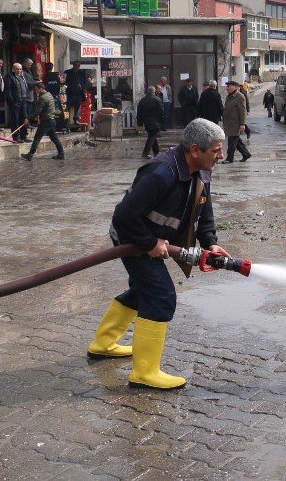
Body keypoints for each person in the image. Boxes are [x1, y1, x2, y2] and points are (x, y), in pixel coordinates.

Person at [87, 119, 229, 389]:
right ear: (195, 150)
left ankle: (103, 344)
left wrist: (210, 242)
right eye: (216, 150)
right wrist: (150, 242)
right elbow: (124, 216)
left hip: (150, 237)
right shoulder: (161, 173)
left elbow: (203, 210)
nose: (221, 156)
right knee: (161, 295)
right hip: (131, 237)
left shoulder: (201, 171)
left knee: (143, 291)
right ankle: (144, 373)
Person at [21, 81, 64, 161]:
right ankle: (61, 154)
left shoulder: (43, 98)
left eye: (36, 90)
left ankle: (30, 155)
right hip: (51, 120)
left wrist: (28, 118)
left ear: (41, 88)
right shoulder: (49, 94)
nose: (36, 91)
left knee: (37, 137)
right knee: (54, 138)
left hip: (46, 121)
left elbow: (37, 111)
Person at [221, 81, 251, 163]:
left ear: (235, 87)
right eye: (227, 86)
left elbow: (242, 111)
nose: (227, 88)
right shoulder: (229, 96)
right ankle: (246, 154)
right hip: (229, 123)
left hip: (236, 124)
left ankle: (229, 158)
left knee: (232, 142)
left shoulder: (239, 96)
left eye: (229, 86)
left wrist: (242, 124)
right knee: (236, 141)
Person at [137, 86, 165, 159]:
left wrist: (140, 123)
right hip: (155, 122)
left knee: (153, 136)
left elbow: (139, 113)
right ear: (154, 91)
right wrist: (161, 121)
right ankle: (145, 153)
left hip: (147, 122)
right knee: (152, 136)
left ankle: (157, 152)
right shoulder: (157, 99)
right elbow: (161, 112)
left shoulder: (142, 100)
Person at [5, 62, 29, 142]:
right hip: (15, 102)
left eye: (20, 69)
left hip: (23, 100)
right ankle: (16, 137)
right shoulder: (9, 77)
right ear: (13, 69)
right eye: (17, 69)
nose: (19, 70)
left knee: (24, 118)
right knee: (15, 119)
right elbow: (7, 91)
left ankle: (24, 136)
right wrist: (11, 102)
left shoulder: (22, 77)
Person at [64, 61, 87, 130]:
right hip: (69, 94)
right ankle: (66, 120)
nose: (77, 66)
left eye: (79, 65)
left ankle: (76, 120)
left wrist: (84, 91)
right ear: (73, 65)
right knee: (67, 108)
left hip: (78, 94)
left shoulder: (82, 73)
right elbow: (64, 81)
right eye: (76, 65)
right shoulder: (67, 72)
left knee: (77, 109)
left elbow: (85, 83)